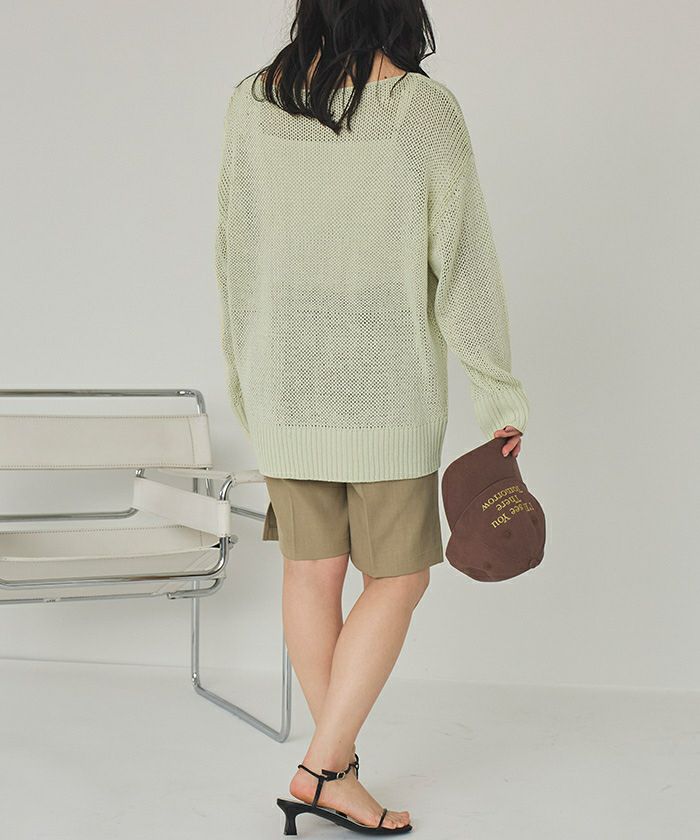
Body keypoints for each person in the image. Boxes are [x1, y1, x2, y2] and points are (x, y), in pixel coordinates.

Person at [214, 1, 529, 833]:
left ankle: (334, 769)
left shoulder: (253, 101)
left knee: (309, 573)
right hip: (386, 388)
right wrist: (498, 390)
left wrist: (249, 388)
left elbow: (234, 257)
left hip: (285, 383)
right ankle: (324, 769)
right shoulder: (421, 109)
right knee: (400, 577)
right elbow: (462, 260)